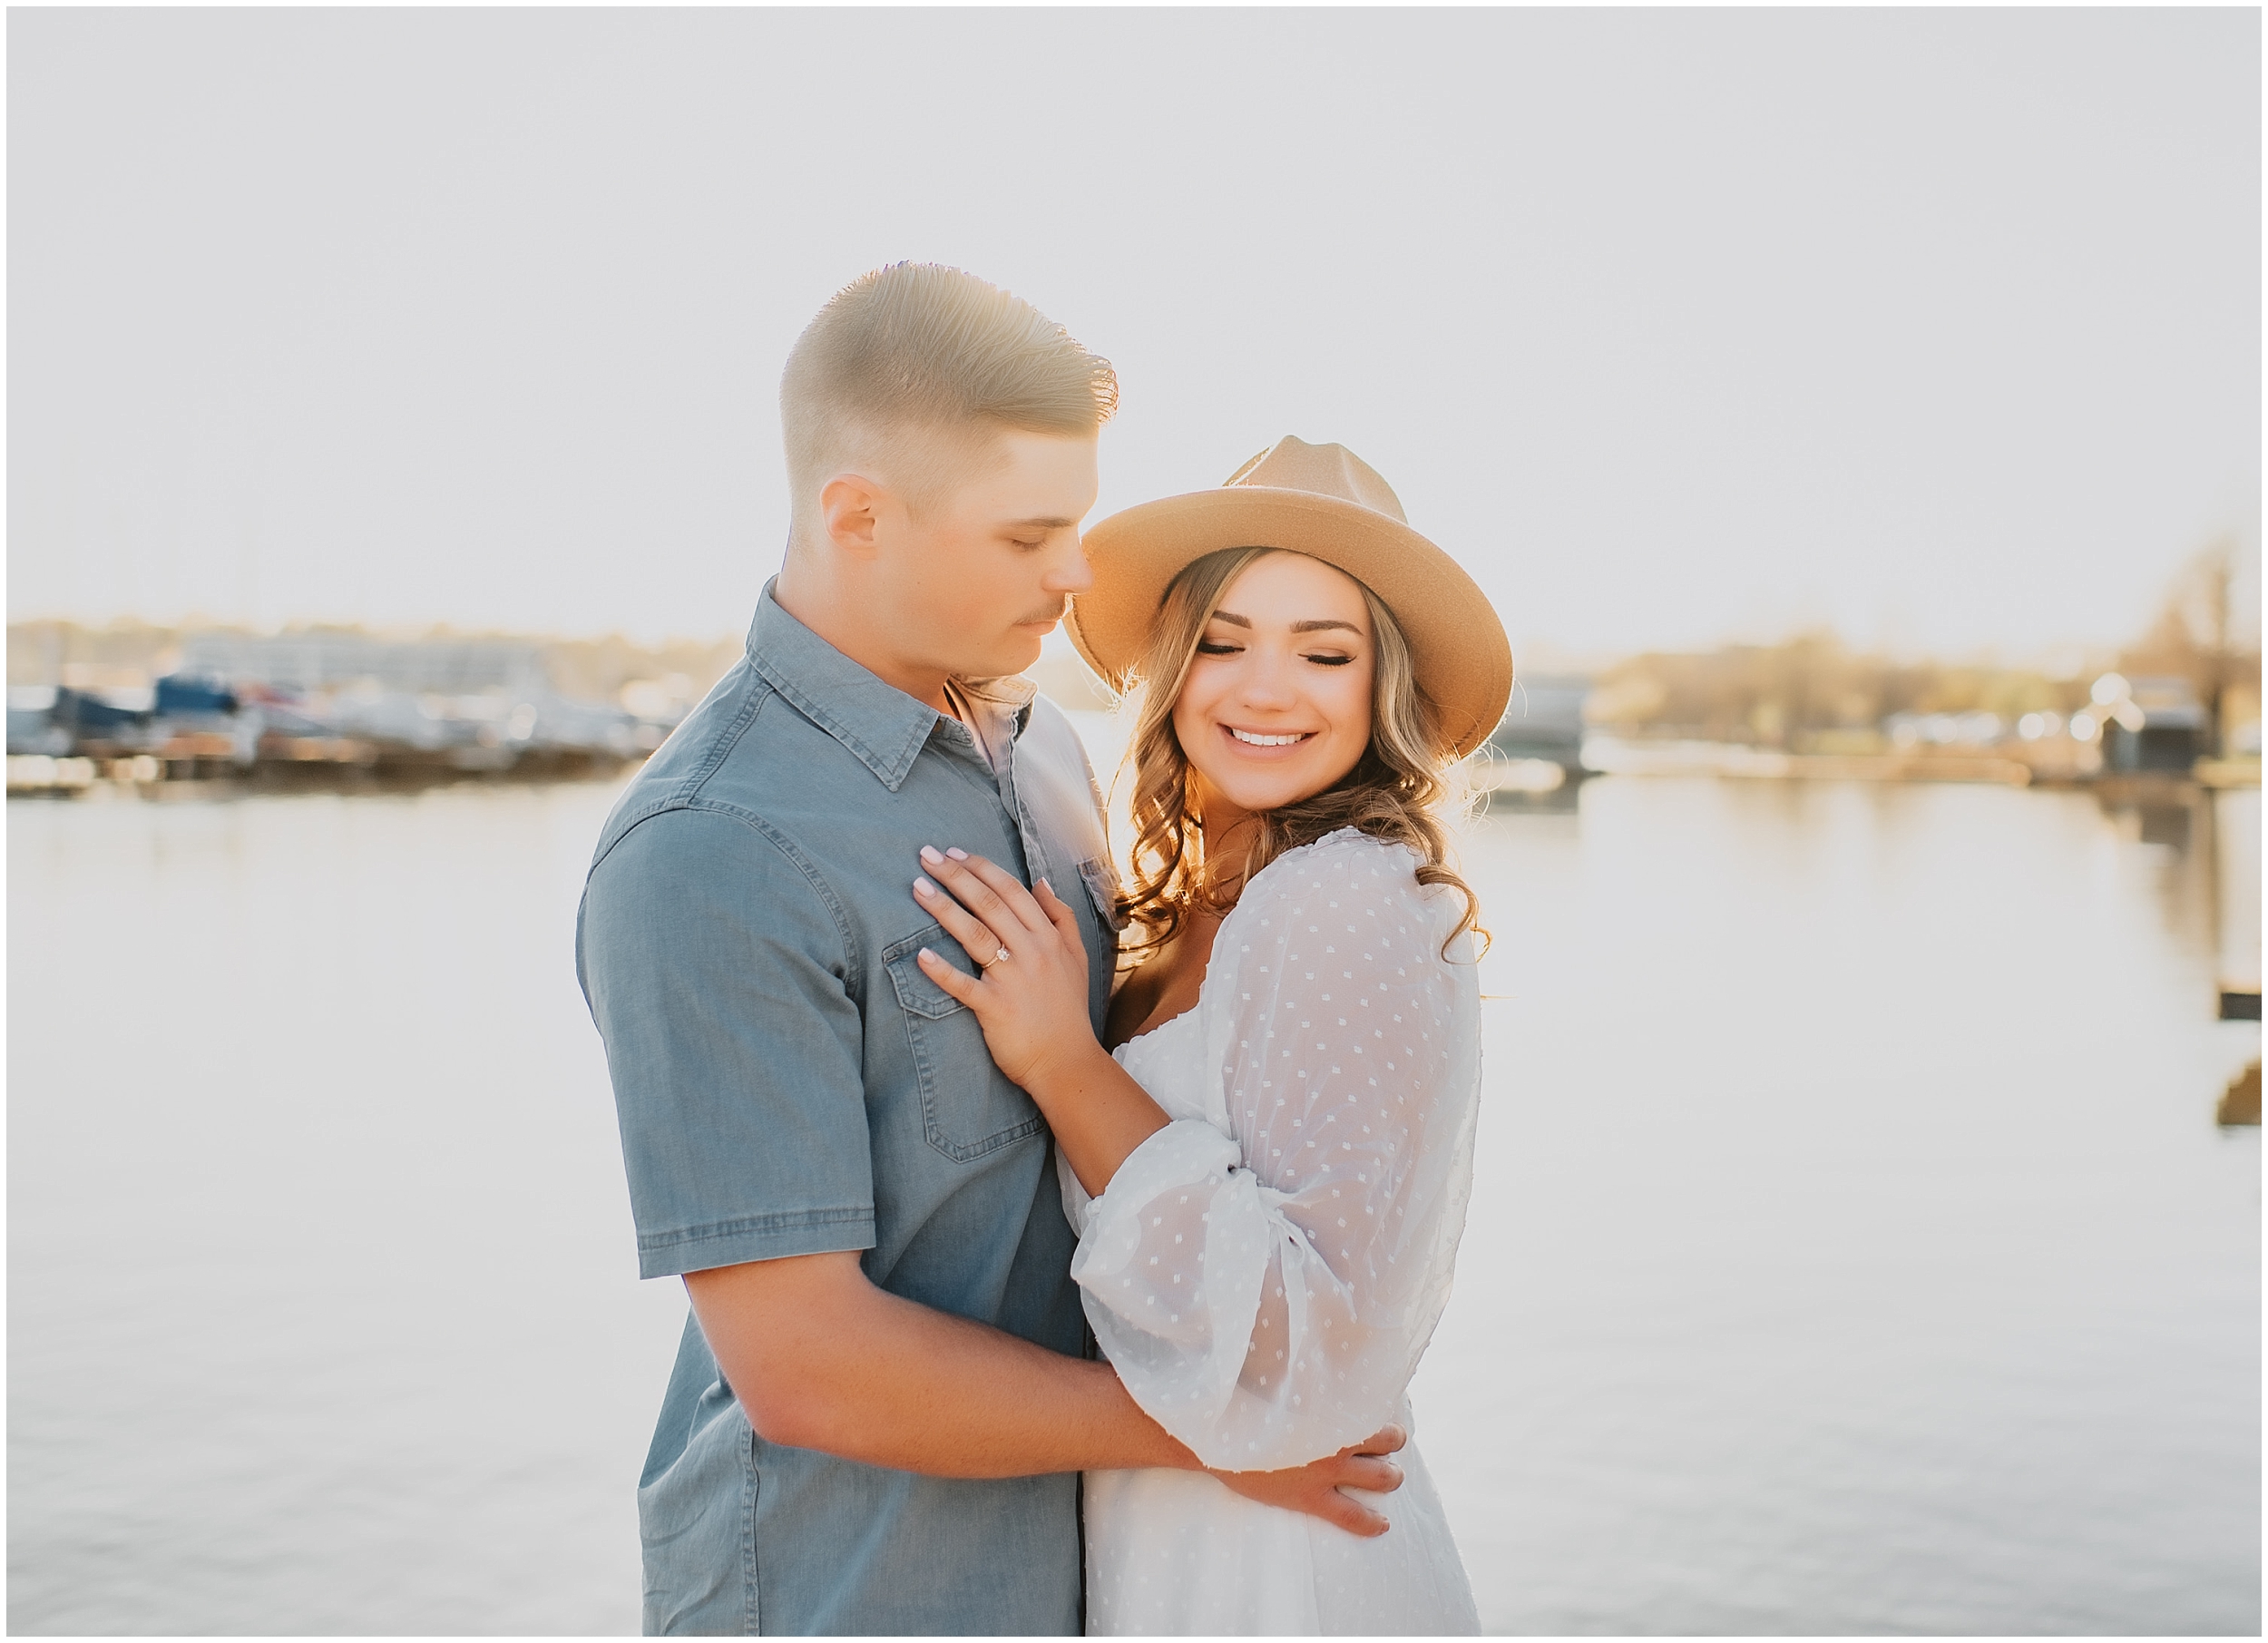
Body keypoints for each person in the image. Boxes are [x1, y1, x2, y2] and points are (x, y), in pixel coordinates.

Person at [576, 272, 1408, 1636]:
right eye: (1031, 536)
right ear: (857, 516)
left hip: (1106, 1578)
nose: (1075, 575)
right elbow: (808, 1366)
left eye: (1074, 526)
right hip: (852, 1594)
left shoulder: (1045, 753)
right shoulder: (709, 849)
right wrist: (1220, 1437)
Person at [906, 436, 1510, 1633]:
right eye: (1224, 642)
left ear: (1380, 689)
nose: (1263, 688)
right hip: (1176, 1520)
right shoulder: (1198, 896)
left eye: (1324, 653)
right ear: (1174, 668)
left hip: (1282, 1563)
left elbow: (1312, 1333)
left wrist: (1063, 1063)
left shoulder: (1344, 896)